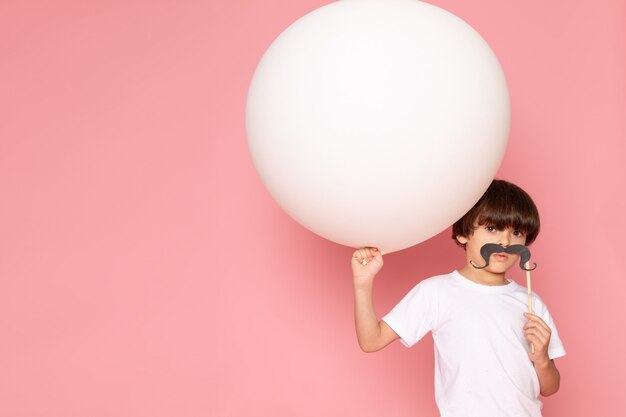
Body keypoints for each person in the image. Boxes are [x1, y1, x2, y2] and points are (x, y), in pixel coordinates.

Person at [352, 179, 566, 417]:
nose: (505, 242)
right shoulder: (437, 292)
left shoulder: (530, 303)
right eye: (492, 228)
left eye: (516, 232)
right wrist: (363, 284)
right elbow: (372, 341)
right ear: (463, 233)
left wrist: (542, 359)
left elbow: (550, 387)